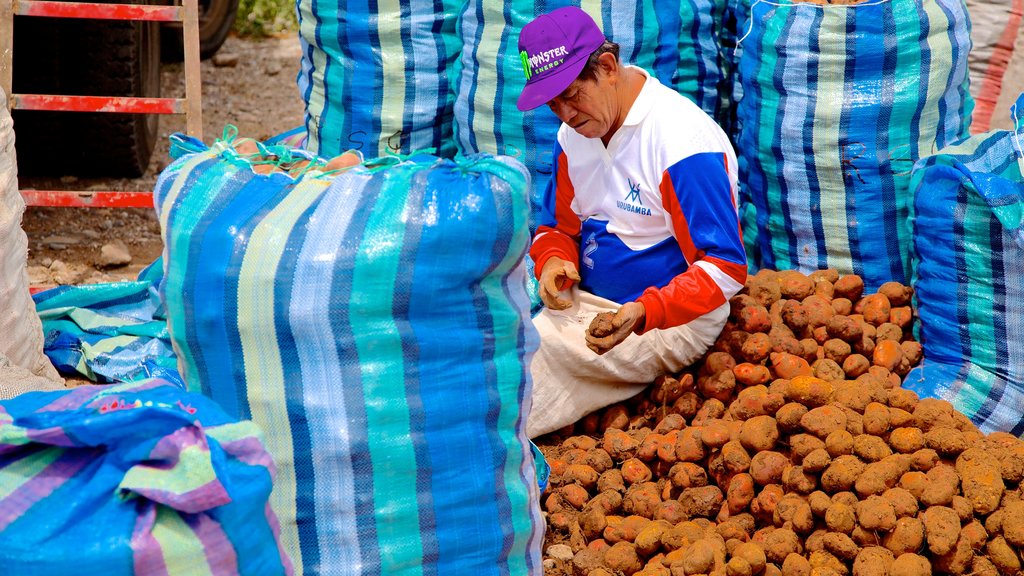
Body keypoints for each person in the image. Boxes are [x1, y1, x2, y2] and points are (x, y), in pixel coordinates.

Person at [516, 6, 747, 438]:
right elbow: (556, 229)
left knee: (524, 365)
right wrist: (551, 263)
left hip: (671, 320)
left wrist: (645, 311)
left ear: (606, 67)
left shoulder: (681, 144)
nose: (565, 114)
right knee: (496, 329)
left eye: (572, 95)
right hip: (588, 302)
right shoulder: (576, 135)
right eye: (553, 104)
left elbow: (726, 266)